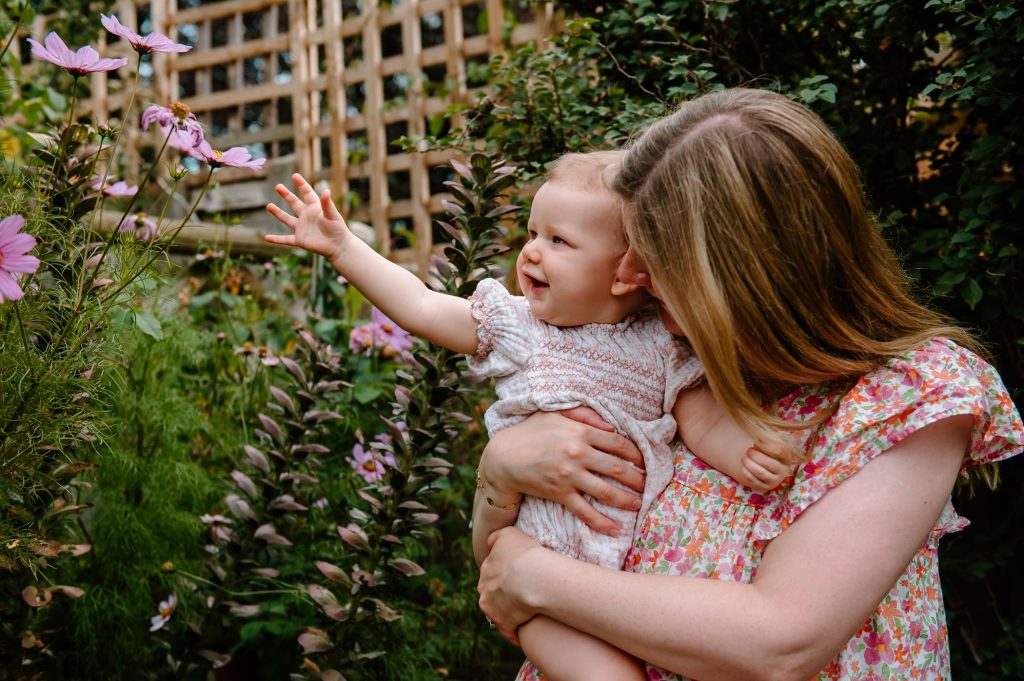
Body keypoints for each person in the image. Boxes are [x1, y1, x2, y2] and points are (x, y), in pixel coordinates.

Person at [474, 87, 1024, 680]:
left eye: (655, 255)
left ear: (740, 269)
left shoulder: (913, 396)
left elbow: (782, 643)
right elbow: (502, 576)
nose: (628, 276)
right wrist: (498, 477)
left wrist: (539, 579)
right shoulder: (676, 362)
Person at [263, 152, 793, 681]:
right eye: (534, 232)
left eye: (558, 241)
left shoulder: (661, 344)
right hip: (540, 566)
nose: (532, 252)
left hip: (628, 575)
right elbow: (422, 307)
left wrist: (744, 455)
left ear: (627, 273)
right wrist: (343, 247)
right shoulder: (519, 327)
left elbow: (699, 420)